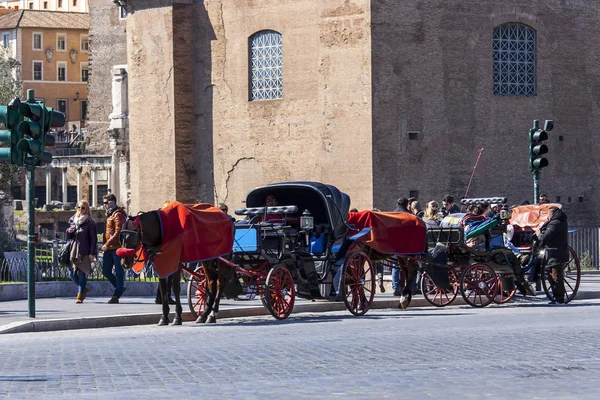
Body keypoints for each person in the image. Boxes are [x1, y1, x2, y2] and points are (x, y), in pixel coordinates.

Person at [536, 206, 569, 304]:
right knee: (552, 275)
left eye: (549, 214)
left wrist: (539, 234)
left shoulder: (555, 224)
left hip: (555, 254)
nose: (548, 217)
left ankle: (559, 298)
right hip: (555, 252)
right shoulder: (560, 222)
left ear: (552, 214)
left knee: (555, 276)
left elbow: (546, 237)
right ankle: (557, 297)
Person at [66, 200, 97, 304]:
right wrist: (69, 231)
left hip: (85, 251)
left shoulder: (90, 223)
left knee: (82, 274)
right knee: (71, 273)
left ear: (87, 209)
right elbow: (69, 236)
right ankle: (83, 288)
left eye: (83, 207)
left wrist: (92, 253)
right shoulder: (73, 220)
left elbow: (93, 239)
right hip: (73, 250)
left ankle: (80, 296)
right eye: (78, 207)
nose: (80, 209)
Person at [101, 193, 127, 304]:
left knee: (118, 272)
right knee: (106, 271)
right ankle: (119, 287)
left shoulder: (117, 214)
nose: (105, 205)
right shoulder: (109, 214)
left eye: (106, 202)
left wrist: (107, 243)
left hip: (117, 247)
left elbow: (118, 232)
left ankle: (116, 295)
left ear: (112, 202)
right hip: (109, 248)